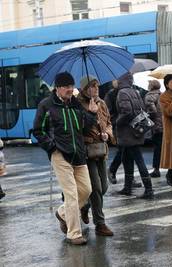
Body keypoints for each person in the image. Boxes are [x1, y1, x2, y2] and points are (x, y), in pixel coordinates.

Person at [33, 72, 95, 245]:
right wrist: (52, 147)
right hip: (60, 154)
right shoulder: (46, 105)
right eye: (66, 87)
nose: (70, 90)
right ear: (58, 88)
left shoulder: (76, 104)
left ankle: (62, 213)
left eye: (71, 86)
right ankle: (74, 234)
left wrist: (92, 113)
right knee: (71, 194)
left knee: (86, 190)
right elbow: (38, 130)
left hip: (79, 154)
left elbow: (86, 125)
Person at [77, 76, 114, 236]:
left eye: (97, 86)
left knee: (104, 187)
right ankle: (100, 224)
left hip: (102, 149)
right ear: (85, 89)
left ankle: (84, 207)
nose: (96, 88)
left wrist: (107, 133)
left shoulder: (102, 102)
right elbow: (79, 128)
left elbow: (109, 122)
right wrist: (90, 113)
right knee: (96, 188)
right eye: (92, 86)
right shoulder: (78, 104)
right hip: (88, 151)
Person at [116, 72, 153, 199]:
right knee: (127, 159)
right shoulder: (135, 92)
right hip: (136, 130)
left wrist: (117, 122)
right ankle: (127, 187)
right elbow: (142, 108)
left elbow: (127, 112)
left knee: (139, 159)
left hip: (127, 132)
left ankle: (149, 189)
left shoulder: (122, 93)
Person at [144, 80, 163, 178]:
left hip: (156, 126)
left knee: (157, 148)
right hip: (164, 125)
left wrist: (146, 116)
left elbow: (152, 112)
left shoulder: (149, 96)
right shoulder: (162, 94)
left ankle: (156, 169)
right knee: (165, 147)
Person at [104, 80, 121, 184]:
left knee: (128, 151)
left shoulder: (129, 91)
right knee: (123, 149)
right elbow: (108, 111)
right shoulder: (110, 94)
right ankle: (112, 170)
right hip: (117, 124)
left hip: (126, 125)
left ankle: (130, 178)